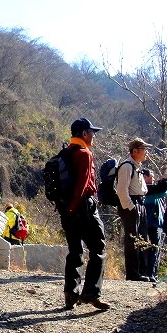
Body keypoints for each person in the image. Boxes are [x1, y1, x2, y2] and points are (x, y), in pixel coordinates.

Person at [59, 118, 110, 310]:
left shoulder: (65, 152)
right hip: (83, 208)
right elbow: (82, 185)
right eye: (91, 132)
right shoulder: (84, 154)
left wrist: (67, 208)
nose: (93, 135)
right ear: (83, 134)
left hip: (66, 209)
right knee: (98, 249)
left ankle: (70, 294)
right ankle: (90, 293)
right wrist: (74, 206)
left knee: (75, 251)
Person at [116, 137, 152, 282]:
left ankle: (142, 272)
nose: (146, 153)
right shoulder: (127, 167)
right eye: (144, 149)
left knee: (143, 238)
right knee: (132, 239)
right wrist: (131, 207)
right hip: (131, 205)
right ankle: (133, 274)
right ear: (135, 151)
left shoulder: (137, 166)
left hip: (140, 204)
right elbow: (121, 190)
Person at [141, 169, 167, 282]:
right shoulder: (145, 190)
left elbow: (161, 191)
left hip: (156, 223)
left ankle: (153, 273)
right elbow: (162, 190)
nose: (153, 178)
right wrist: (166, 179)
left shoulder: (151, 189)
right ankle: (149, 273)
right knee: (152, 249)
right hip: (151, 223)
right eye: (151, 176)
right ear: (144, 177)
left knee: (155, 250)